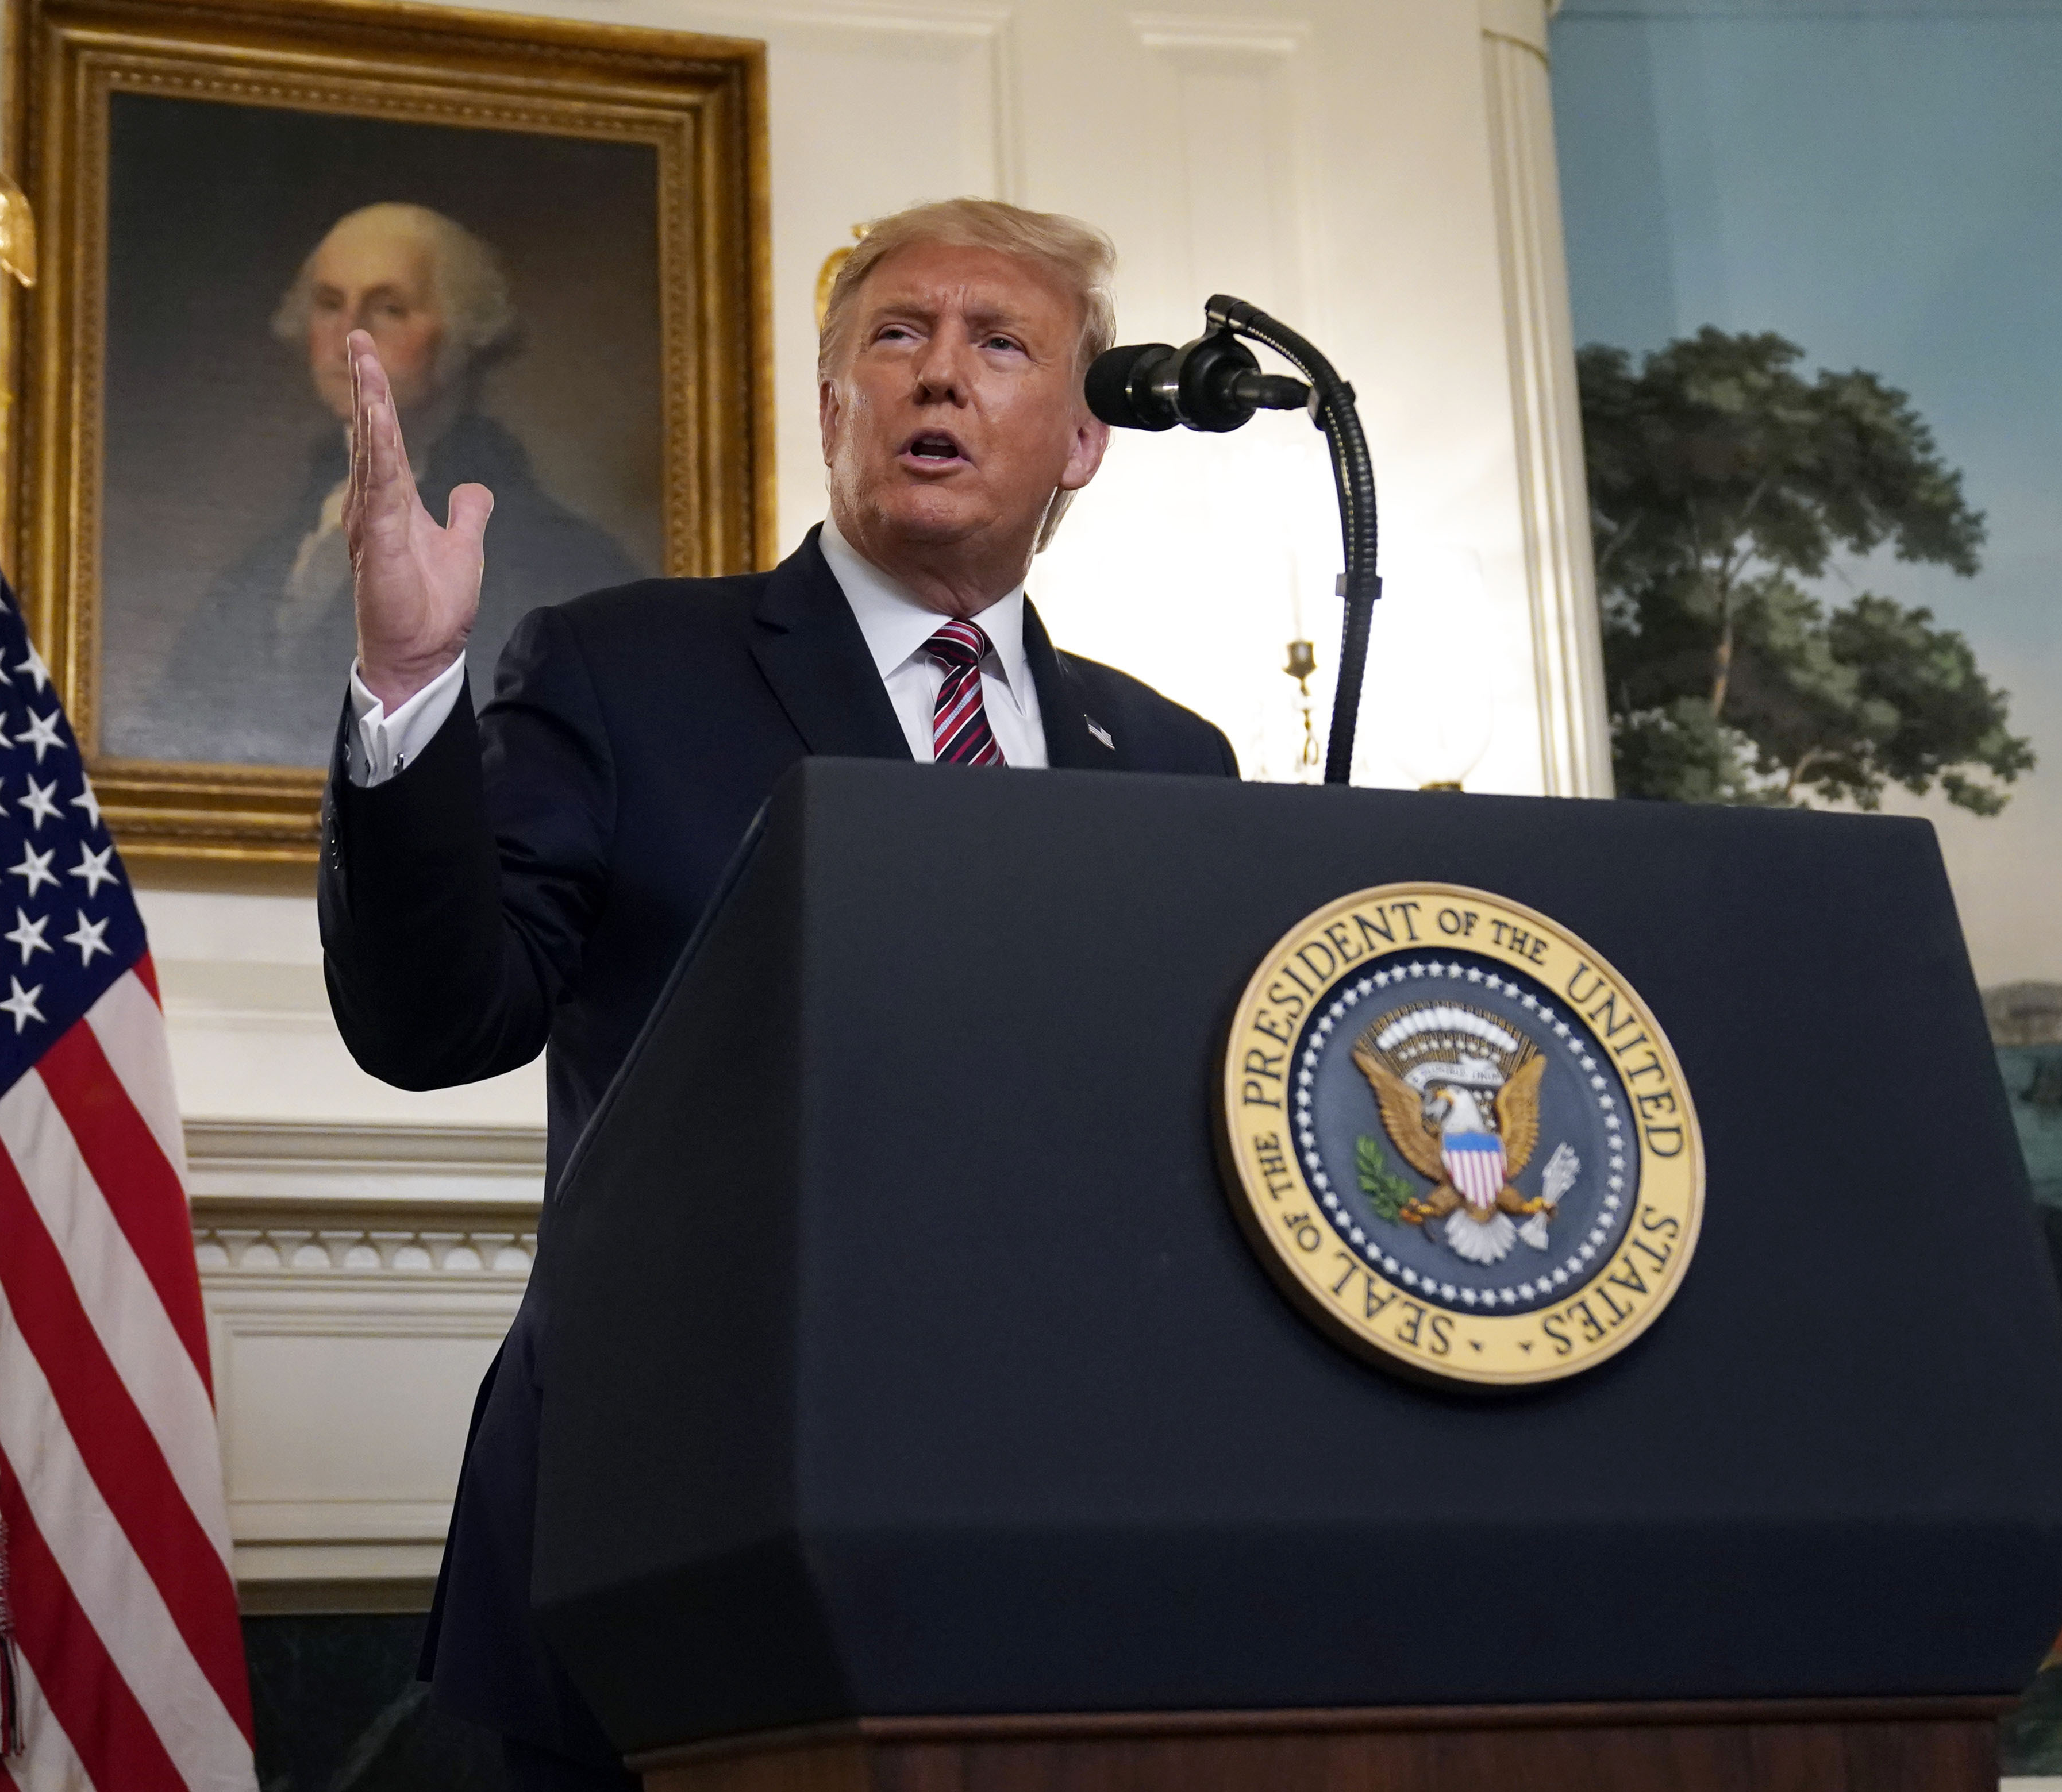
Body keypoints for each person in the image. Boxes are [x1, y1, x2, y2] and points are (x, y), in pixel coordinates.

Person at [317, 198, 1238, 1788]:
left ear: (1083, 438)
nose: (937, 375)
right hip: (671, 1532)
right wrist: (406, 689)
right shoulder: (622, 667)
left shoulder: (1168, 759)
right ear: (830, 405)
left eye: (998, 344)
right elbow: (435, 1021)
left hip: (1052, 1530)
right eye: (897, 336)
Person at [139, 202, 641, 765]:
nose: (349, 334)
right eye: (330, 304)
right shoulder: (272, 557)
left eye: (389, 308)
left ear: (462, 333)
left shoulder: (550, 557)